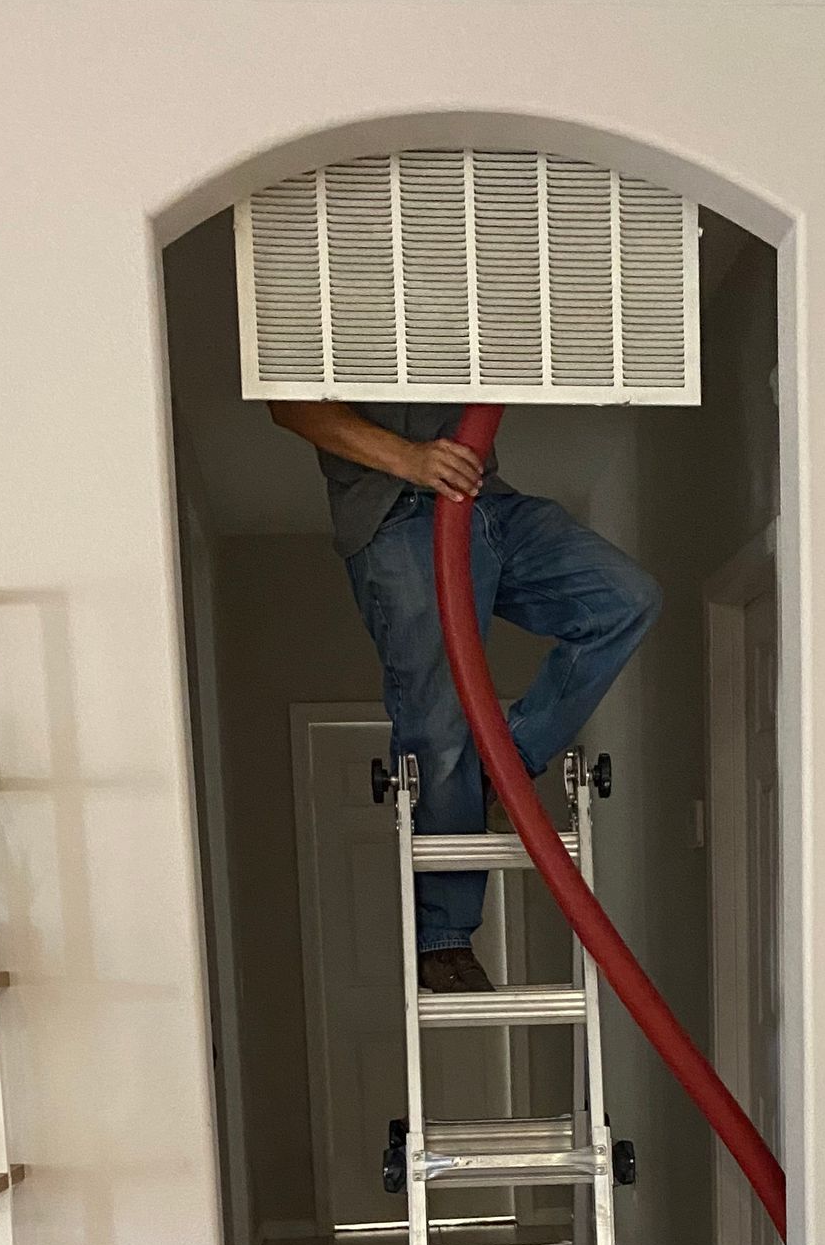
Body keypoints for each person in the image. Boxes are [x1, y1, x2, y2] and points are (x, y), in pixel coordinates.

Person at [271, 401, 660, 991]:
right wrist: (410, 459)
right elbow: (289, 402)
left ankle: (503, 767)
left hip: (487, 500)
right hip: (395, 514)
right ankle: (444, 940)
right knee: (441, 719)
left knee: (625, 599)